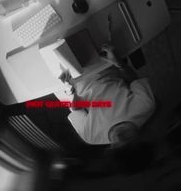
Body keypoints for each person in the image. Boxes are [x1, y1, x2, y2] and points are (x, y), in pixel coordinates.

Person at [59, 19, 156, 147]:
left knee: (54, 42)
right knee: (83, 22)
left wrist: (70, 90)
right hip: (104, 65)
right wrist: (118, 63)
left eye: (118, 146)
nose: (120, 138)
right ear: (143, 137)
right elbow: (133, 80)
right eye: (129, 140)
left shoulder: (91, 137)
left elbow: (76, 109)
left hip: (75, 81)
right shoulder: (146, 106)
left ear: (111, 150)